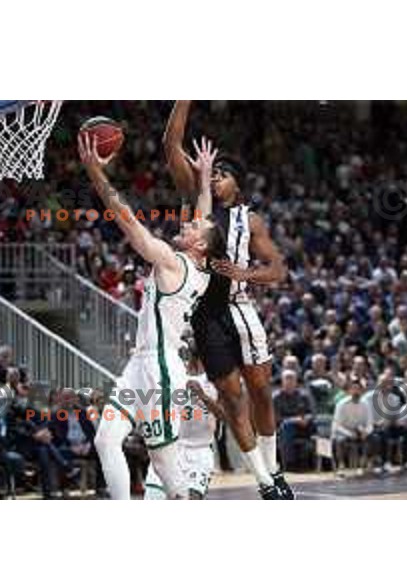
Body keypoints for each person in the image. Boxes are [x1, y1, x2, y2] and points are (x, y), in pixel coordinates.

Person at [81, 132, 225, 500]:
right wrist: (203, 180)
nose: (187, 223)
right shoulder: (199, 268)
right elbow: (206, 216)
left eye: (193, 228)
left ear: (200, 246)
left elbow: (130, 224)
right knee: (106, 439)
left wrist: (98, 176)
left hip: (161, 370)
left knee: (163, 464)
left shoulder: (175, 264)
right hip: (141, 364)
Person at [164, 100, 292, 499]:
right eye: (213, 173)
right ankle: (265, 483)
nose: (214, 179)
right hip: (205, 315)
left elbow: (279, 270)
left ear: (237, 184)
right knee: (233, 400)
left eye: (222, 175)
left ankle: (275, 469)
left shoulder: (249, 220)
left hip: (240, 306)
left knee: (260, 393)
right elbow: (171, 142)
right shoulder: (195, 194)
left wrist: (247, 274)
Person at [144, 348, 224, 500]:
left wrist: (203, 397)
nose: (189, 338)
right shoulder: (173, 373)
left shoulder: (216, 377)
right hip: (169, 449)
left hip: (199, 452)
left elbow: (227, 416)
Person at [273, 369, 316, 470]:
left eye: (292, 379)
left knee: (319, 426)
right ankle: (290, 463)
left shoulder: (304, 396)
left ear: (296, 381)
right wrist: (294, 420)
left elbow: (312, 412)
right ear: (282, 381)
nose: (289, 382)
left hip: (305, 426)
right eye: (287, 379)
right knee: (287, 427)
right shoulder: (276, 397)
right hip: (284, 427)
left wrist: (306, 419)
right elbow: (277, 418)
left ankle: (323, 463)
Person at [331, 377, 373, 476]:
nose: (356, 391)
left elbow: (369, 423)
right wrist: (349, 434)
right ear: (349, 390)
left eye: (358, 389)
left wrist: (366, 432)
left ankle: (363, 465)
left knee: (374, 438)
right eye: (354, 389)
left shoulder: (366, 404)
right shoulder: (341, 404)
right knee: (340, 440)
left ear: (362, 391)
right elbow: (337, 425)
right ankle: (341, 466)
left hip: (359, 431)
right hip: (343, 431)